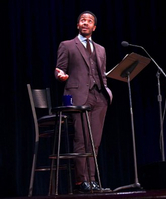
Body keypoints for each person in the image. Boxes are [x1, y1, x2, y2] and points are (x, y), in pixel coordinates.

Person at [54, 11, 113, 193]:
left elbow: (101, 73)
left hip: (99, 97)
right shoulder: (67, 45)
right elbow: (59, 68)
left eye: (89, 21)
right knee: (81, 139)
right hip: (79, 96)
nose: (85, 23)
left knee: (94, 141)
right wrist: (60, 75)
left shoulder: (101, 49)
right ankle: (82, 181)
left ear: (94, 27)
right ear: (78, 25)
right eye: (82, 20)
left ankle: (92, 180)